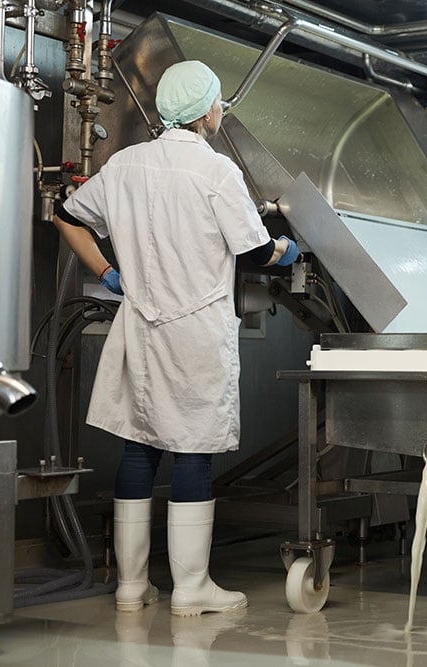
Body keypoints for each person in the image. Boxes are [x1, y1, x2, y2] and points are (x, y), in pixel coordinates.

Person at [53, 60, 301, 616]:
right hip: (194, 330)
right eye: (218, 104)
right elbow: (256, 253)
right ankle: (191, 590)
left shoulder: (124, 164)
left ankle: (131, 588)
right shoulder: (216, 172)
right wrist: (290, 252)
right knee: (193, 448)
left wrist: (109, 271)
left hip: (140, 324)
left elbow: (68, 215)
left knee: (139, 444)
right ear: (207, 112)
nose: (219, 113)